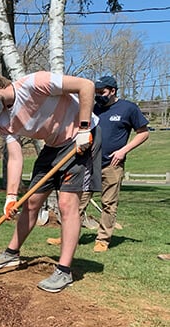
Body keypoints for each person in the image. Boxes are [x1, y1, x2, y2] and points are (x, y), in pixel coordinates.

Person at [0, 70, 101, 293]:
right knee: (30, 202)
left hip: (82, 138)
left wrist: (84, 127)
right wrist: (11, 197)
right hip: (53, 147)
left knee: (67, 205)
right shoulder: (4, 121)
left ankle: (64, 271)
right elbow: (15, 156)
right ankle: (11, 254)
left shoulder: (34, 84)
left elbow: (86, 85)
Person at [47, 76, 149, 252]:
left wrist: (124, 150)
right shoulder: (92, 109)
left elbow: (143, 132)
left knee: (109, 204)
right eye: (96, 92)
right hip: (88, 164)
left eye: (102, 92)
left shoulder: (128, 108)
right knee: (77, 203)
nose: (98, 96)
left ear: (113, 91)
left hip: (112, 165)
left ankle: (103, 239)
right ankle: (67, 237)